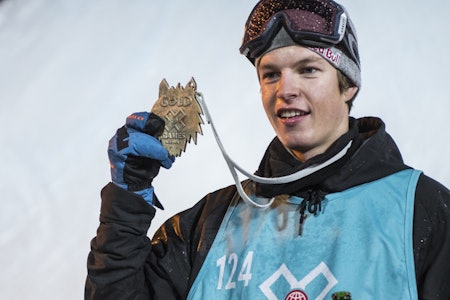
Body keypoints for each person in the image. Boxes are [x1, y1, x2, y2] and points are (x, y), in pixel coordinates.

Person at [85, 0, 450, 299]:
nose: (284, 89)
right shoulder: (208, 227)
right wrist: (127, 199)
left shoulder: (423, 211)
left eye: (308, 70)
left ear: (348, 84)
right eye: (270, 74)